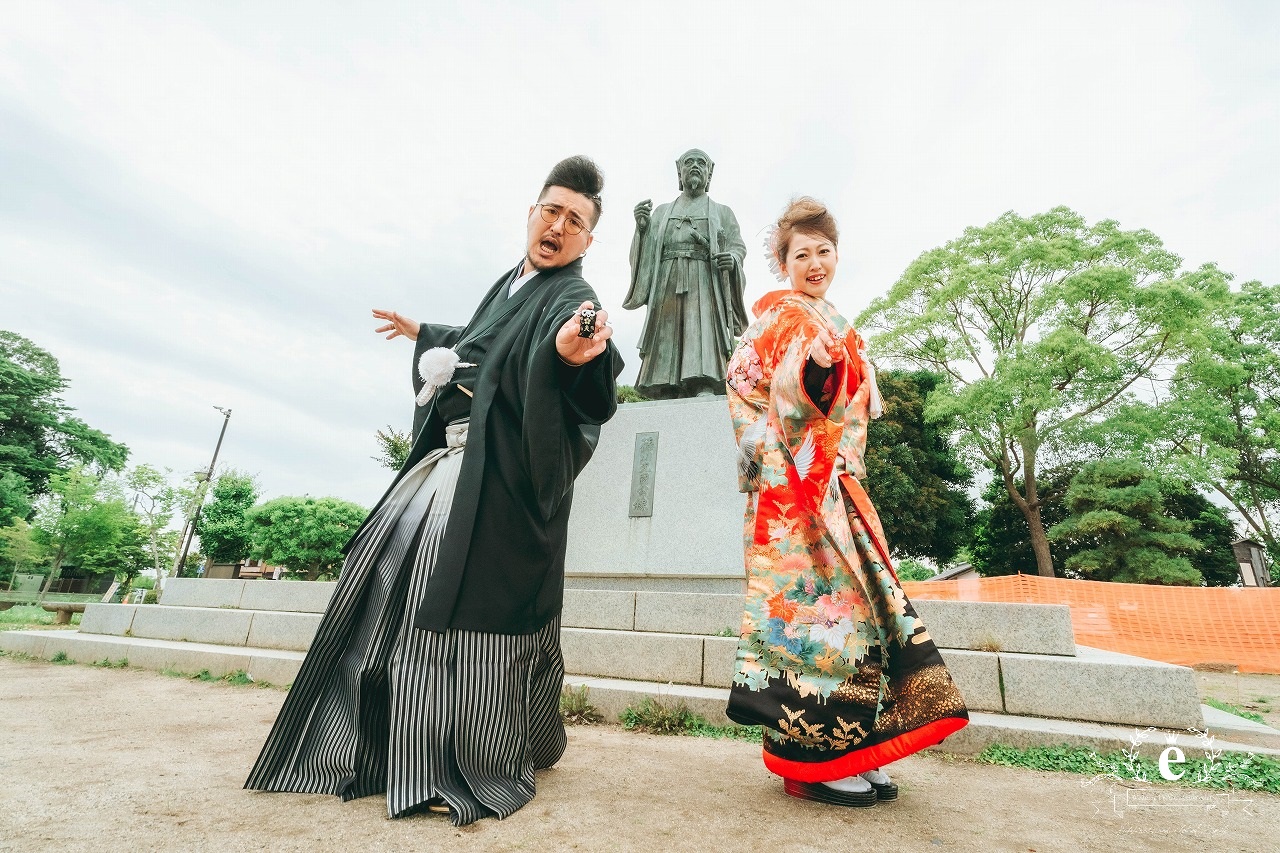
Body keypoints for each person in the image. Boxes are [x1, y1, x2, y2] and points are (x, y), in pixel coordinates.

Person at [245, 156, 623, 826]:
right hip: (447, 462)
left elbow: (585, 364)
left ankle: (452, 755)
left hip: (494, 478)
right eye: (551, 209)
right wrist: (425, 334)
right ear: (531, 212)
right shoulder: (510, 284)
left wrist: (570, 355)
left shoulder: (571, 296)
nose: (558, 225)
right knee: (383, 572)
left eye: (575, 220)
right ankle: (378, 742)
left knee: (445, 602)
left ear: (588, 241)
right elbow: (479, 340)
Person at [724, 197, 968, 807]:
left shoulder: (834, 319)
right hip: (795, 496)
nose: (814, 262)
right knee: (820, 623)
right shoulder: (781, 319)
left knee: (862, 615)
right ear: (782, 264)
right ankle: (815, 758)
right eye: (800, 253)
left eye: (823, 251)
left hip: (834, 486)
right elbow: (757, 390)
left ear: (837, 256)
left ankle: (855, 746)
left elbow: (856, 408)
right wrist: (812, 375)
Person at [624, 148, 748, 399]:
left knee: (700, 328)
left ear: (709, 173)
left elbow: (737, 247)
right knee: (666, 334)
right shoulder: (661, 212)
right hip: (667, 280)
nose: (694, 166)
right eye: (688, 162)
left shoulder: (722, 212)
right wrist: (643, 229)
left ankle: (703, 382)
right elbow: (646, 255)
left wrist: (732, 260)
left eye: (700, 163)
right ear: (678, 171)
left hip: (704, 279)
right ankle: (664, 384)